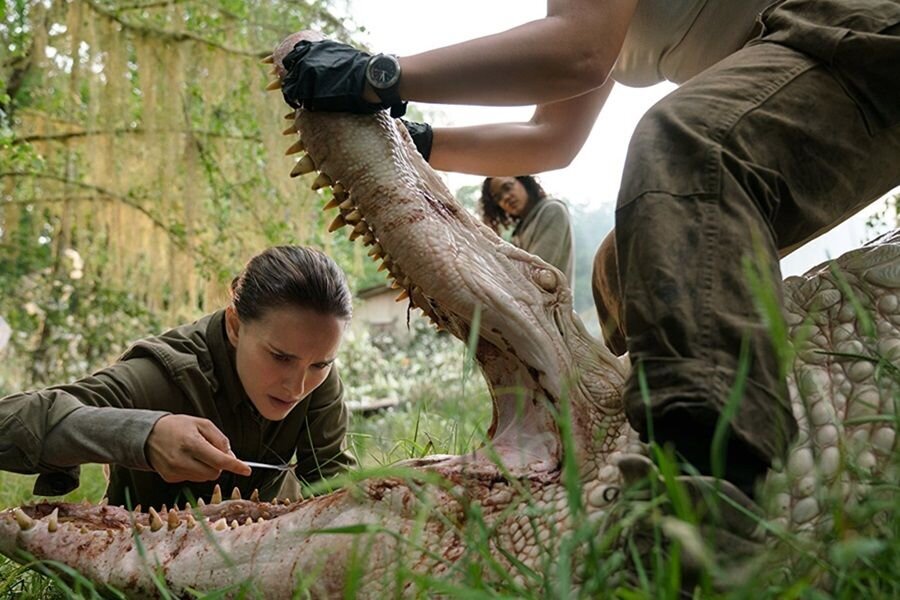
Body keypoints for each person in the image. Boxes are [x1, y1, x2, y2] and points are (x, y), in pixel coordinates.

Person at [271, 0, 899, 514]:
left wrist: (376, 75)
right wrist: (413, 142)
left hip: (850, 27)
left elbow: (575, 52)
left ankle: (703, 490)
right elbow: (552, 138)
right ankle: (631, 434)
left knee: (684, 146)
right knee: (627, 264)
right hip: (801, 67)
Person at [0, 246, 355, 509]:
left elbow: (334, 488)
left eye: (320, 365)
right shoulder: (162, 375)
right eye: (280, 357)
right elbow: (8, 422)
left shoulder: (317, 376)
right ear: (234, 325)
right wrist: (143, 435)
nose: (298, 386)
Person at [480, 175, 574, 284]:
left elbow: (536, 273)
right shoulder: (521, 229)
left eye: (508, 187)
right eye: (498, 198)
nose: (505, 197)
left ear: (523, 181)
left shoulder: (552, 210)